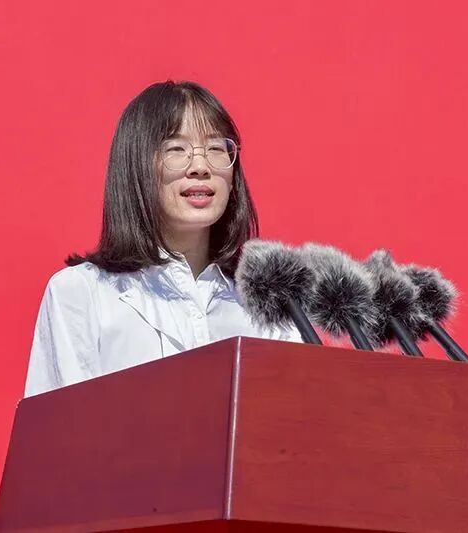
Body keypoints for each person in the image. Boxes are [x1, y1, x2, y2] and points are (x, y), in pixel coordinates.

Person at [24, 81, 300, 398]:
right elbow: (59, 425)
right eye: (176, 149)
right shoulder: (83, 293)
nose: (200, 167)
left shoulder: (269, 302)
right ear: (137, 165)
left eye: (215, 148)